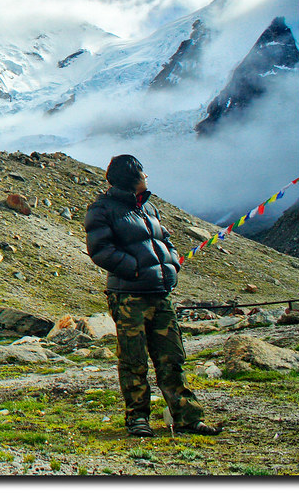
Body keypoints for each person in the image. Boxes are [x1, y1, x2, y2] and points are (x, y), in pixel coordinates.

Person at [84, 154, 221, 438]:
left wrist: (170, 265)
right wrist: (135, 270)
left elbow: (165, 240)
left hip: (160, 294)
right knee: (134, 360)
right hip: (129, 296)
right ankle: (137, 419)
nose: (147, 178)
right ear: (133, 178)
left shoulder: (149, 208)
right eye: (143, 174)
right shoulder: (103, 209)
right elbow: (100, 250)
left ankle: (187, 417)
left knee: (172, 356)